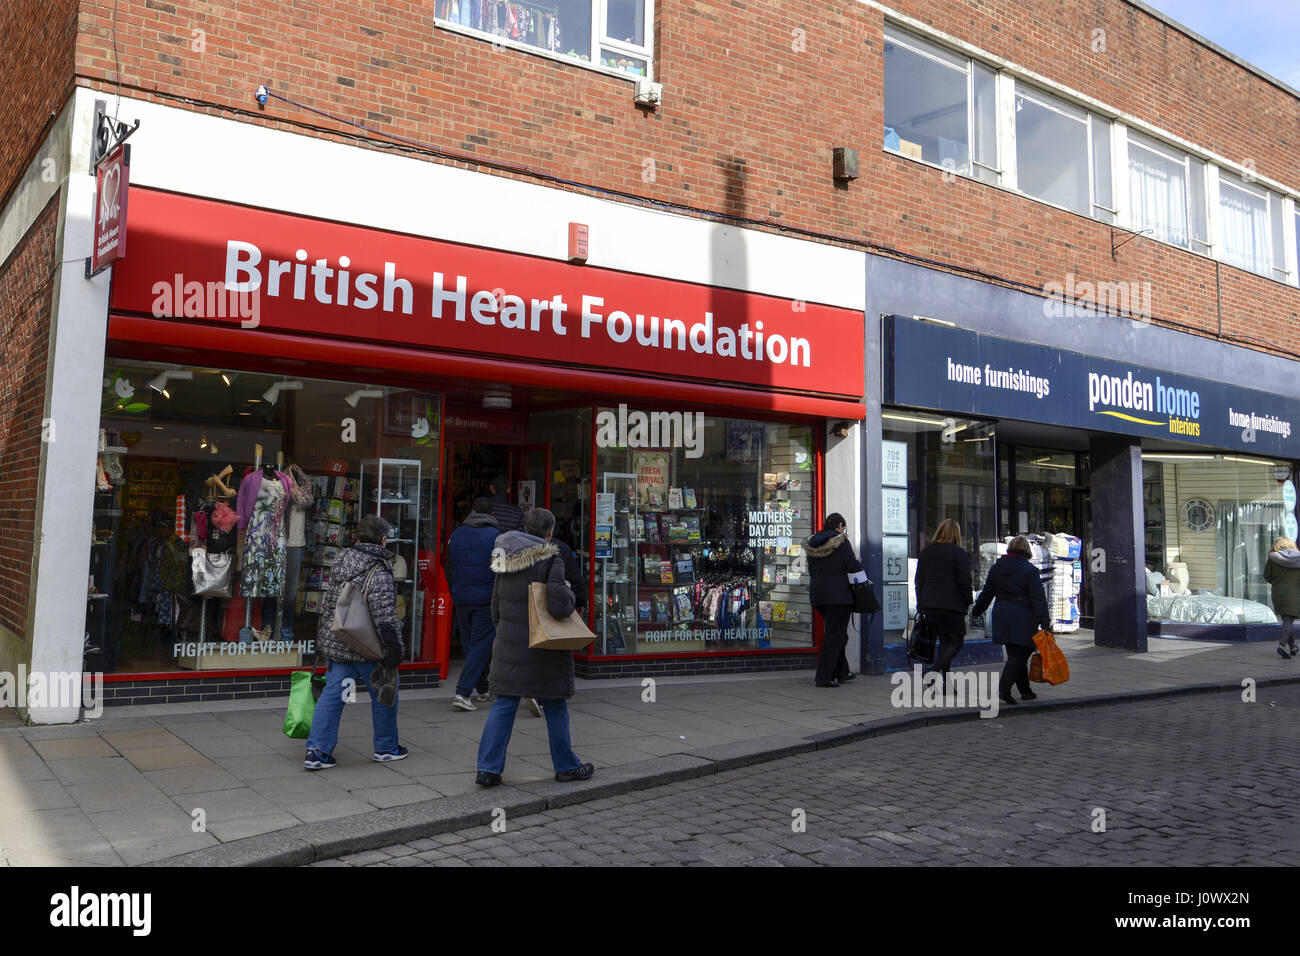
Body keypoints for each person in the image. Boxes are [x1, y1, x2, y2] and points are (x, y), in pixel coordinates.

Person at [474, 507, 594, 787]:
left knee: (504, 703)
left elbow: (495, 604)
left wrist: (502, 632)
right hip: (545, 645)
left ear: (525, 529)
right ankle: (566, 766)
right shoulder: (552, 558)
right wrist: (567, 590)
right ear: (549, 532)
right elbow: (559, 606)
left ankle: (487, 769)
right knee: (555, 704)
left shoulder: (505, 555)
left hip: (509, 641)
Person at [305, 514, 406, 769]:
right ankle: (385, 748)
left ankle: (317, 751)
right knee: (384, 693)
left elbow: (331, 604)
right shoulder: (379, 567)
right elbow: (383, 614)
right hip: (369, 648)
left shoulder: (341, 559)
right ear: (383, 539)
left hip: (341, 642)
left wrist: (324, 638)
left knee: (333, 696)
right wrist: (393, 648)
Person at [971, 536, 1051, 706]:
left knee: (1016, 653)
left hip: (1002, 615)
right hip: (1023, 617)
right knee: (1020, 655)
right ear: (1027, 551)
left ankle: (1025, 691)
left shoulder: (996, 568)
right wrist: (1045, 622)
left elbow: (987, 593)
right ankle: (1004, 689)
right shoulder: (1030, 571)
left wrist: (977, 610)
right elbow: (1038, 598)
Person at [445, 497, 499, 710]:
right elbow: (500, 571)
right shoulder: (497, 537)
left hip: (461, 596)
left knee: (470, 644)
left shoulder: (456, 535)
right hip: (485, 598)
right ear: (492, 515)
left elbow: (449, 568)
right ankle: (463, 692)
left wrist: (454, 590)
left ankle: (483, 688)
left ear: (473, 512)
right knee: (480, 644)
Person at [803, 512, 863, 687]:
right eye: (843, 527)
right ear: (839, 526)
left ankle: (842, 672)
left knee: (837, 634)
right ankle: (823, 678)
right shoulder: (841, 541)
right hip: (839, 596)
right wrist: (858, 561)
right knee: (834, 636)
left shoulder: (812, 543)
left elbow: (813, 570)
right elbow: (852, 566)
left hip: (818, 595)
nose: (843, 530)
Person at [915, 519, 973, 688]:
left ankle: (947, 684)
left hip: (930, 605)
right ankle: (933, 670)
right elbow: (964, 581)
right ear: (956, 534)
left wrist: (921, 603)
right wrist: (968, 601)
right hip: (952, 606)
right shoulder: (958, 553)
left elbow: (919, 580)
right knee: (956, 642)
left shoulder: (926, 552)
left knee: (944, 643)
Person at [1263, 535, 1300, 659]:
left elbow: (1267, 575)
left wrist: (1278, 582)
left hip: (1278, 592)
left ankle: (1293, 647)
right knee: (1288, 620)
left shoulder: (1273, 558)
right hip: (1294, 594)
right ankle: (1282, 646)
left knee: (1286, 620)